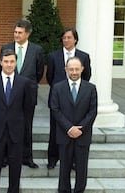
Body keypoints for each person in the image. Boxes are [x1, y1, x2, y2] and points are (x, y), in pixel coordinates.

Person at [0, 49, 32, 193]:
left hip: (16, 132)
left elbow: (27, 109)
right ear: (0, 63)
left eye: (12, 61)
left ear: (16, 63)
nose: (9, 65)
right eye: (6, 61)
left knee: (15, 167)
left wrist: (22, 128)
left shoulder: (25, 83)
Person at [0, 20, 44, 168]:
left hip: (27, 96)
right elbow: (1, 70)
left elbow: (38, 72)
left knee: (26, 127)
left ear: (28, 33)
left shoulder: (36, 50)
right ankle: (5, 157)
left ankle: (27, 157)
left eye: (20, 33)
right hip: (8, 94)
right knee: (6, 125)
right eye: (15, 32)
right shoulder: (6, 48)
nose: (16, 35)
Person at [46, 28, 92, 169]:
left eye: (69, 37)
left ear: (75, 40)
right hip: (58, 99)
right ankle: (53, 159)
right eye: (64, 38)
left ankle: (72, 161)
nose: (66, 40)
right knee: (55, 130)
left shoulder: (83, 56)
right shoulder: (54, 56)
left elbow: (86, 77)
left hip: (77, 101)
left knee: (74, 129)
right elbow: (50, 77)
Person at [50, 56, 97, 193]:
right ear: (66, 70)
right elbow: (55, 109)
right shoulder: (58, 88)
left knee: (82, 169)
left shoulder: (91, 88)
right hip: (64, 135)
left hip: (83, 135)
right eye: (71, 69)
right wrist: (69, 127)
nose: (74, 72)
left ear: (82, 69)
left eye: (77, 69)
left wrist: (80, 128)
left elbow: (92, 111)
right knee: (64, 168)